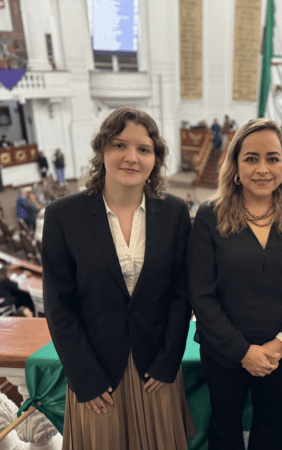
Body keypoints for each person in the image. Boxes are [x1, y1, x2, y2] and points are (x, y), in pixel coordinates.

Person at [43, 107, 194, 449]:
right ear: (102, 149)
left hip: (155, 371)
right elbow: (59, 307)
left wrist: (168, 361)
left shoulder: (174, 212)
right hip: (96, 374)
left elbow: (180, 295)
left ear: (155, 159)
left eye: (144, 149)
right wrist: (84, 377)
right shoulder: (63, 216)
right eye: (119, 145)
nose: (131, 157)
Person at [188, 118, 282, 450]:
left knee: (271, 422)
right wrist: (243, 352)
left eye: (272, 158)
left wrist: (280, 345)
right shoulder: (210, 215)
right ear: (235, 167)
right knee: (224, 423)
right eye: (251, 158)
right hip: (223, 350)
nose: (263, 169)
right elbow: (201, 294)